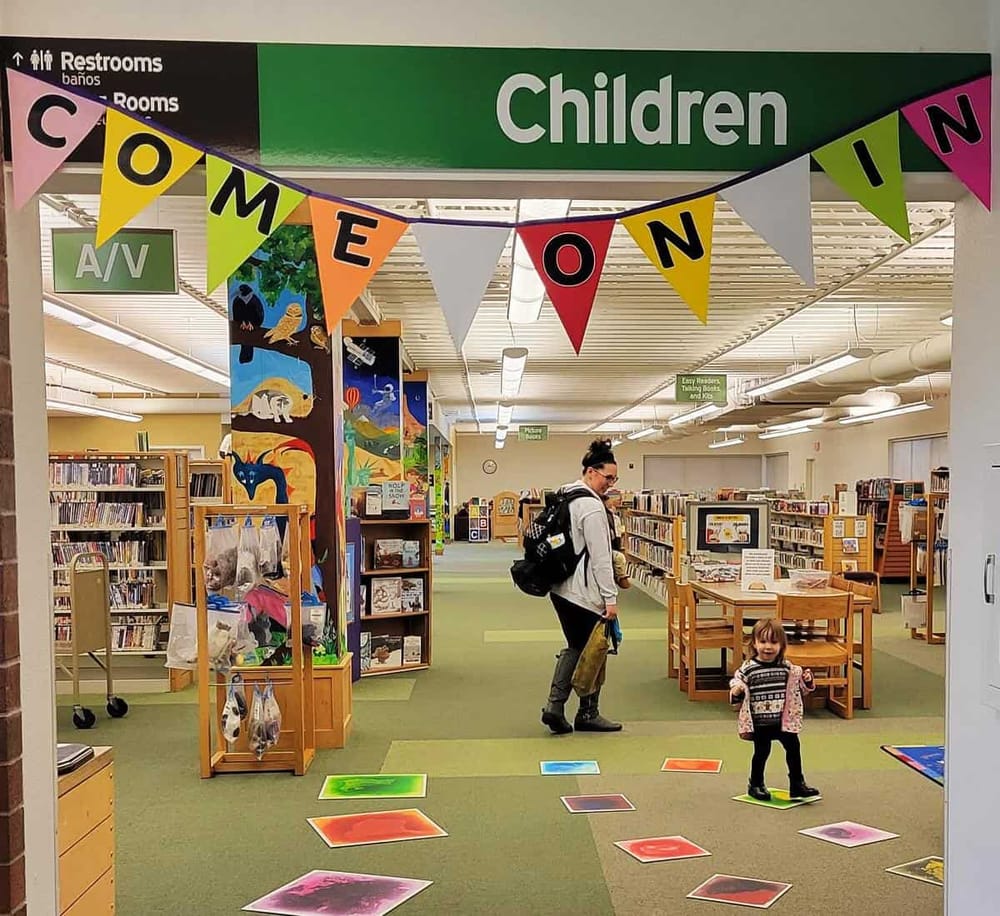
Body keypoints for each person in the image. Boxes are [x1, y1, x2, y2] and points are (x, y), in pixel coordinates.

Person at [541, 439, 622, 735]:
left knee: (578, 645)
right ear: (590, 472)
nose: (610, 484)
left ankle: (560, 708)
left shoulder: (566, 493)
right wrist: (610, 599)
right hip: (583, 593)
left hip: (559, 587)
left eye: (614, 478)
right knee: (591, 648)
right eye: (607, 477)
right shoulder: (591, 507)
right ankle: (576, 710)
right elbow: (601, 558)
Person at [729, 619, 820, 800]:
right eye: (762, 642)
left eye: (773, 642)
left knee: (793, 749)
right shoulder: (748, 669)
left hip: (783, 720)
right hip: (760, 721)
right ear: (754, 643)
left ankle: (797, 784)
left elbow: (801, 688)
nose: (768, 647)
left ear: (782, 645)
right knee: (762, 753)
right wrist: (737, 690)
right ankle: (755, 784)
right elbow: (736, 682)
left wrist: (807, 680)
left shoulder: (787, 668)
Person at [603, 488, 631, 590]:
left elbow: (617, 537)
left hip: (612, 544)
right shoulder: (607, 515)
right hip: (605, 547)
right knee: (619, 558)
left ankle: (619, 575)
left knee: (618, 556)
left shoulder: (614, 517)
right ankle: (620, 576)